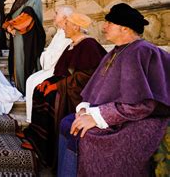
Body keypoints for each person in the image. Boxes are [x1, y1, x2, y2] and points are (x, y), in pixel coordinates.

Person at [57, 3, 170, 177]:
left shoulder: (142, 52)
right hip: (119, 113)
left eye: (109, 23)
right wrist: (86, 110)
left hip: (141, 119)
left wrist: (97, 117)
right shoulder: (116, 52)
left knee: (84, 134)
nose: (103, 27)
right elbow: (100, 89)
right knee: (68, 122)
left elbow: (143, 105)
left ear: (124, 28)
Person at [21, 12, 107, 167]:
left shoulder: (89, 44)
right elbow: (61, 71)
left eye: (66, 24)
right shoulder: (71, 45)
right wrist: (48, 82)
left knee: (51, 97)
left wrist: (57, 86)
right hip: (67, 84)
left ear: (76, 26)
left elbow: (87, 76)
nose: (64, 28)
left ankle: (48, 148)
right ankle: (37, 140)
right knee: (39, 90)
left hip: (78, 91)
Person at [25, 6, 73, 123]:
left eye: (56, 13)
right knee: (31, 80)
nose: (53, 16)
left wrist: (45, 56)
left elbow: (52, 59)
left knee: (35, 82)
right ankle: (31, 120)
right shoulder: (60, 33)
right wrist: (46, 56)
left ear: (65, 18)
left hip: (56, 70)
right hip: (50, 68)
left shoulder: (65, 34)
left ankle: (36, 122)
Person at [3, 0, 45, 94]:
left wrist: (12, 26)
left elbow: (28, 17)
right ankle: (20, 89)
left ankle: (30, 90)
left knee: (26, 61)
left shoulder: (34, 0)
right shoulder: (18, 1)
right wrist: (8, 27)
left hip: (28, 37)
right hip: (17, 36)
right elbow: (10, 17)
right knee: (18, 62)